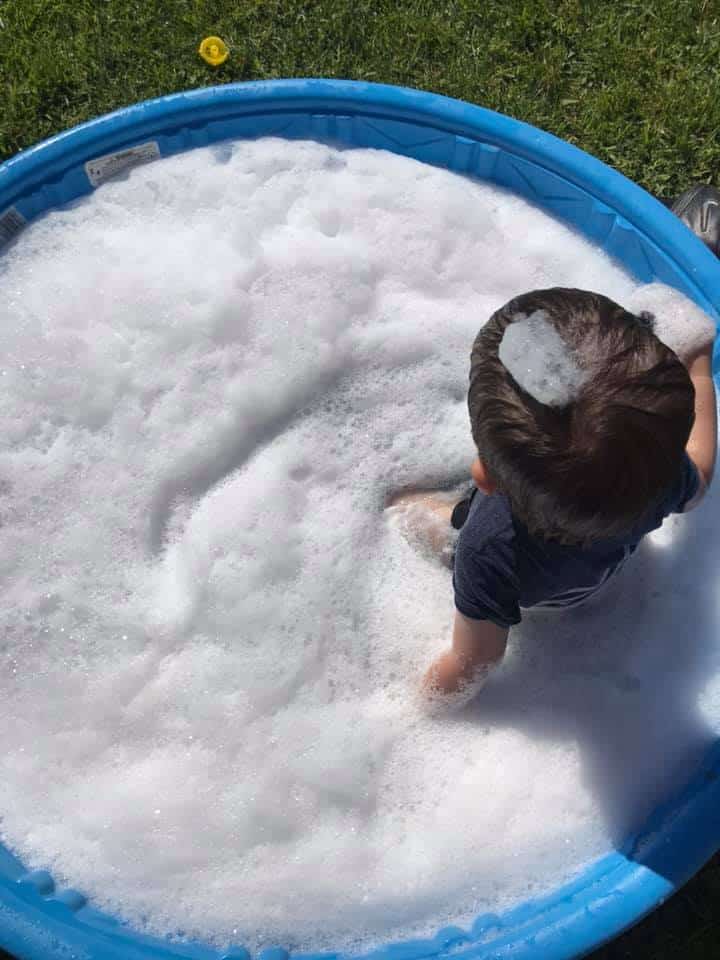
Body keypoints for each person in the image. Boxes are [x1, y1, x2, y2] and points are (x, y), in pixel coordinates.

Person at [388, 285, 717, 707]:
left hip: (515, 581)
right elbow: (701, 472)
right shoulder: (658, 475)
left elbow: (474, 661)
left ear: (483, 475)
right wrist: (699, 370)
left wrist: (414, 710)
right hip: (585, 581)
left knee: (412, 513)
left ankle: (409, 514)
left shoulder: (487, 548)